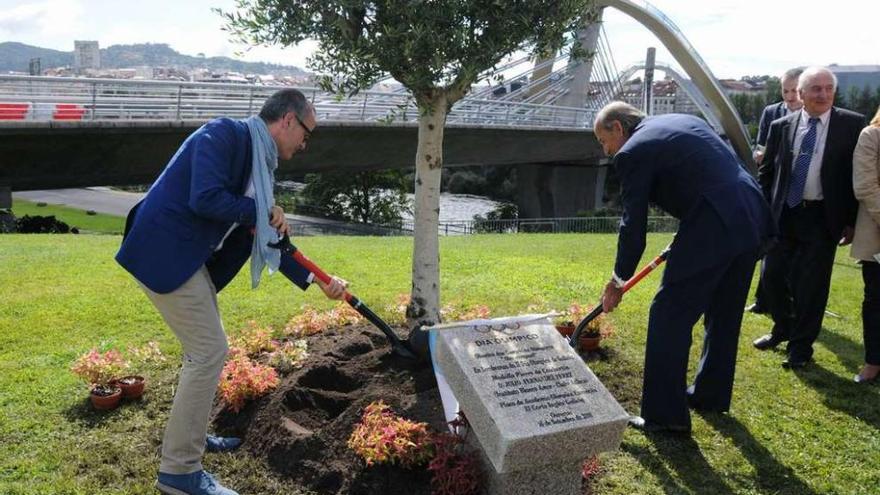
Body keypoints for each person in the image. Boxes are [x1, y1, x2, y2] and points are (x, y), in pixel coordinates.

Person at [116, 89, 347, 495]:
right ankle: (179, 473)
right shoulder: (223, 135)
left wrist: (319, 281)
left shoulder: (260, 165)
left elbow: (268, 236)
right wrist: (259, 212)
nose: (305, 144)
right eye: (306, 133)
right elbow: (204, 198)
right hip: (163, 254)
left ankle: (191, 436)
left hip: (188, 261)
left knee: (201, 353)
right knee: (209, 351)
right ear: (288, 120)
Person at [595, 101, 774, 433]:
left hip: (713, 224)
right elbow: (703, 179)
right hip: (751, 216)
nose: (606, 150)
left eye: (603, 141)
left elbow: (633, 224)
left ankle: (665, 417)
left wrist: (618, 279)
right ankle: (710, 395)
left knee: (668, 314)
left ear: (618, 127)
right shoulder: (682, 121)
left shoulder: (632, 151)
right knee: (724, 312)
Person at [755, 66, 864, 368]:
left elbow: (857, 176)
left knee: (812, 287)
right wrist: (764, 213)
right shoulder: (781, 125)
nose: (823, 94)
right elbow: (767, 174)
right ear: (800, 94)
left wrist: (852, 221)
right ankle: (782, 329)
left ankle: (801, 348)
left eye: (829, 88)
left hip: (823, 217)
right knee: (772, 277)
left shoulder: (852, 125)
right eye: (816, 88)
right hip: (784, 215)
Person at [747, 67, 804, 315]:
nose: (790, 97)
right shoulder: (771, 113)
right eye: (785, 91)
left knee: (789, 252)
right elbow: (760, 148)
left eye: (794, 91)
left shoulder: (809, 117)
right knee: (768, 244)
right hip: (775, 190)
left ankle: (786, 301)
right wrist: (759, 154)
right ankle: (763, 300)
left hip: (799, 192)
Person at [851, 105, 880, 383]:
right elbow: (865, 186)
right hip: (878, 234)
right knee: (877, 300)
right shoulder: (872, 135)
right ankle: (873, 361)